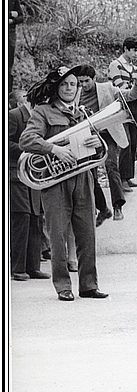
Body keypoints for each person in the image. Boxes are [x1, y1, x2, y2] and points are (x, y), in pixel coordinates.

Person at [19, 67, 108, 301]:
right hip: (56, 182)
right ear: (56, 88)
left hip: (83, 177)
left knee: (87, 234)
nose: (69, 88)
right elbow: (27, 139)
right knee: (57, 237)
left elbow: (97, 144)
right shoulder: (43, 111)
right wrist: (54, 149)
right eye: (64, 84)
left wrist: (95, 142)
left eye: (73, 84)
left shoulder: (83, 113)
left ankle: (89, 285)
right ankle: (63, 286)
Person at [76, 65, 137, 221]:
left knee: (111, 166)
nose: (84, 85)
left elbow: (130, 95)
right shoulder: (76, 94)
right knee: (89, 174)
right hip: (87, 136)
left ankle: (117, 206)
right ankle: (102, 208)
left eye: (86, 81)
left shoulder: (107, 87)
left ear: (94, 78)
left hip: (107, 134)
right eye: (81, 82)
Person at [9, 90, 48, 281]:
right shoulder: (14, 116)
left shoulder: (39, 118)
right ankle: (16, 268)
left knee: (36, 218)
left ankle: (33, 267)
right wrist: (28, 151)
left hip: (33, 175)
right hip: (15, 173)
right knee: (21, 219)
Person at [108, 38, 137, 190]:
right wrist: (136, 86)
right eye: (134, 50)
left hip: (134, 106)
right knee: (125, 141)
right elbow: (120, 88)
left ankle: (128, 175)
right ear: (125, 49)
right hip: (120, 105)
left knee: (133, 141)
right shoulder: (115, 64)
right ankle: (122, 178)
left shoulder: (136, 69)